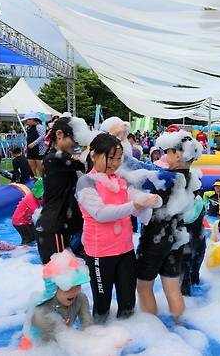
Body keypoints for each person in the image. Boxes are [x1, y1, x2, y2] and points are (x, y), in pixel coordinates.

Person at [76, 133, 160, 322]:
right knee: (102, 305)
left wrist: (149, 202)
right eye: (110, 157)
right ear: (94, 155)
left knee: (128, 303)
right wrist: (135, 206)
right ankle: (99, 341)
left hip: (125, 249)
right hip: (100, 252)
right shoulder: (86, 182)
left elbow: (136, 204)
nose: (114, 163)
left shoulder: (120, 180)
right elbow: (101, 214)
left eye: (118, 158)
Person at [120, 131, 203, 321]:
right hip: (177, 238)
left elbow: (140, 173)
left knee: (143, 286)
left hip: (155, 238)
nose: (165, 155)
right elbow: (147, 168)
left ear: (179, 155)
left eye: (169, 151)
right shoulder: (190, 178)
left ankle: (153, 331)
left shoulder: (168, 178)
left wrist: (121, 154)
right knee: (172, 288)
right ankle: (179, 325)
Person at [19, 250, 92, 350]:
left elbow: (88, 327)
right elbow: (59, 345)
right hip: (35, 348)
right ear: (53, 289)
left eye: (78, 285)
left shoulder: (80, 298)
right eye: (67, 287)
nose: (74, 292)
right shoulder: (41, 313)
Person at [36, 118, 86, 264]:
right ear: (59, 134)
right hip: (54, 228)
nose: (77, 145)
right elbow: (85, 162)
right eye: (74, 140)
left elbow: (79, 159)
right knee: (64, 283)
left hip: (55, 226)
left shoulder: (59, 158)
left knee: (66, 282)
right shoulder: (55, 159)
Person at [181, 190, 207, 296]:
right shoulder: (199, 203)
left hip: (189, 238)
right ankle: (191, 285)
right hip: (197, 238)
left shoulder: (180, 204)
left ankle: (185, 292)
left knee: (186, 267)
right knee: (194, 265)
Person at [12, 178, 44, 245]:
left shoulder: (40, 198)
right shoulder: (30, 198)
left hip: (28, 220)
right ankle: (22, 251)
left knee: (34, 237)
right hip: (19, 220)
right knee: (27, 238)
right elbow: (37, 213)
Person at [23, 113, 46, 177]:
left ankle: (42, 181)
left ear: (32, 120)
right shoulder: (28, 128)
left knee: (40, 168)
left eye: (27, 120)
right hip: (30, 150)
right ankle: (34, 180)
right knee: (31, 167)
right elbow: (27, 138)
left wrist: (34, 143)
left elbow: (42, 136)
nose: (26, 122)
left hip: (39, 151)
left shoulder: (40, 127)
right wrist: (25, 147)